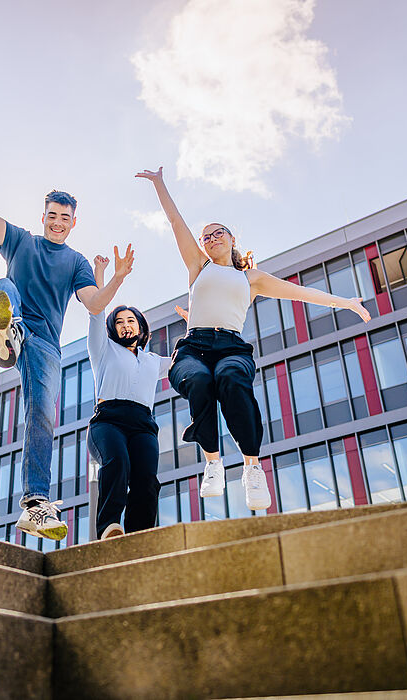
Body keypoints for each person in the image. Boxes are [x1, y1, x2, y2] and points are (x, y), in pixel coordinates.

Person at [136, 166, 371, 510]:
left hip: (231, 346)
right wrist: (160, 184)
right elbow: (176, 223)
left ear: (232, 239)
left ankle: (252, 467)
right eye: (206, 237)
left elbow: (298, 292)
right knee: (200, 381)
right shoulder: (198, 266)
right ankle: (213, 462)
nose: (210, 239)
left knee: (231, 379)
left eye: (217, 234)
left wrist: (344, 302)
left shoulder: (251, 277)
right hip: (194, 348)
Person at [0, 121, 131, 540]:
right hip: (18, 321)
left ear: (73, 223)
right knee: (5, 285)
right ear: (42, 217)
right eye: (52, 216)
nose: (57, 223)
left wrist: (116, 279)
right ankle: (5, 334)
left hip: (45, 346)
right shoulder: (22, 241)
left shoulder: (76, 261)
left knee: (42, 414)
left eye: (65, 218)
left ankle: (36, 505)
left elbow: (95, 304)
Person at [86, 247, 171, 540]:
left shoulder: (153, 360)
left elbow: (183, 360)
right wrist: (110, 276)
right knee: (118, 463)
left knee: (147, 480)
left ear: (141, 327)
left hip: (143, 425)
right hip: (108, 421)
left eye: (131, 321)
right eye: (119, 321)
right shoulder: (103, 349)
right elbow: (96, 311)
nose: (125, 325)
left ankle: (140, 536)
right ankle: (109, 527)